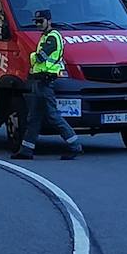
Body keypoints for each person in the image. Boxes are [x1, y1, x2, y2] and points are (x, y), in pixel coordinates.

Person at [11, 9, 83, 161]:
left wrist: (32, 57)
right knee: (34, 118)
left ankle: (75, 146)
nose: (38, 24)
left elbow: (40, 57)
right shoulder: (45, 37)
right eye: (36, 22)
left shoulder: (52, 37)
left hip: (45, 82)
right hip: (38, 81)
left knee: (53, 115)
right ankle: (26, 150)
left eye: (40, 21)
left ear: (49, 21)